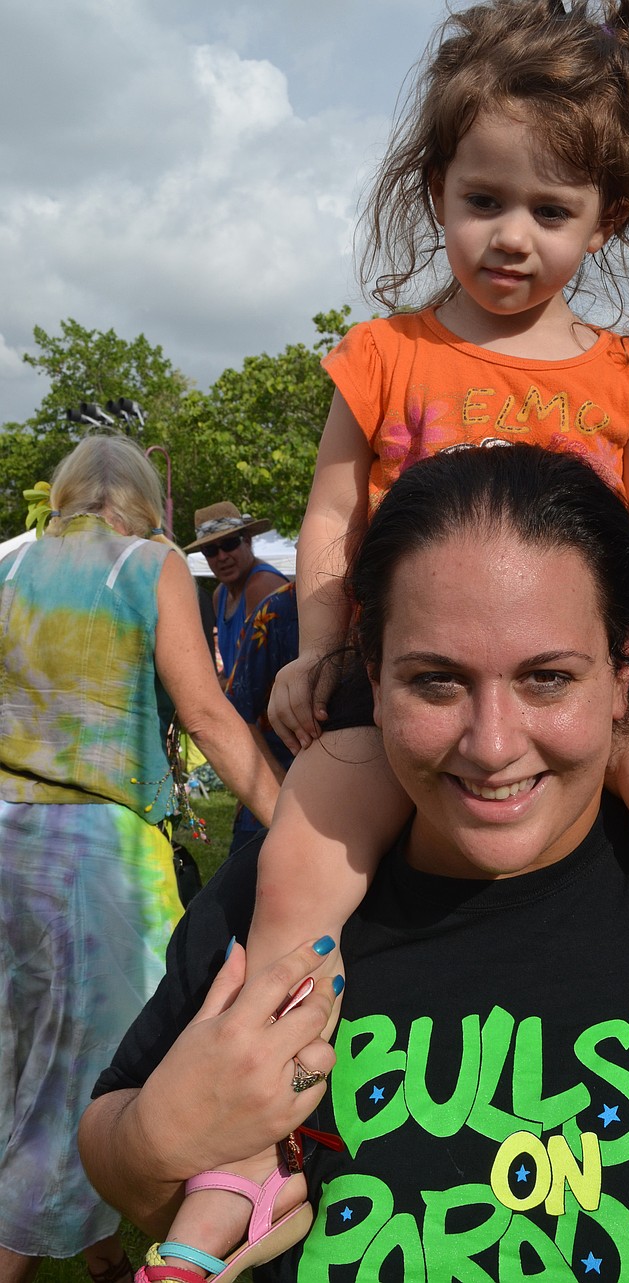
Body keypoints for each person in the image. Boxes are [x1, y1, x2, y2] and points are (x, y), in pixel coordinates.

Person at [154, 0, 629, 1267]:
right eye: (482, 201)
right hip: (410, 688)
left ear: (605, 219)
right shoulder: (383, 356)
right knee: (303, 852)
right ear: (435, 192)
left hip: (597, 686)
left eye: (549, 211)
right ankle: (252, 1126)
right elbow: (330, 524)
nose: (511, 236)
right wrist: (315, 648)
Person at [79, 448, 629, 1282]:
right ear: (374, 676)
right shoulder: (285, 879)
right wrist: (157, 1137)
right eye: (437, 682)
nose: (492, 745)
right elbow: (114, 1154)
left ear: (623, 668)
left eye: (548, 678)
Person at [0, 436, 282, 1283]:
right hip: (98, 859)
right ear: (144, 501)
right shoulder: (149, 563)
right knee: (95, 1074)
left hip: (7, 837)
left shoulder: (7, 561)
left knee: (23, 1057)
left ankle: (97, 1255)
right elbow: (206, 712)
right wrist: (295, 821)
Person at [224, 580, 299, 858]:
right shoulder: (278, 608)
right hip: (275, 800)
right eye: (209, 556)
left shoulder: (384, 598)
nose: (220, 559)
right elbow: (236, 712)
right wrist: (280, 790)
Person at [184, 502, 286, 679]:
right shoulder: (220, 595)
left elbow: (257, 677)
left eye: (229, 544)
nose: (222, 556)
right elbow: (233, 670)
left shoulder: (261, 586)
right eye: (210, 550)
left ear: (247, 541)